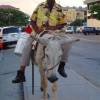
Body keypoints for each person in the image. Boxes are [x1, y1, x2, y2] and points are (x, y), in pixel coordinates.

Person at [12, 0, 67, 83]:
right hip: (39, 32)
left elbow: (63, 23)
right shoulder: (40, 6)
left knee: (68, 43)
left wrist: (54, 27)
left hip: (55, 33)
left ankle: (62, 66)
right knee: (27, 45)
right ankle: (21, 73)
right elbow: (32, 21)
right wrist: (37, 30)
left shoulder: (59, 8)